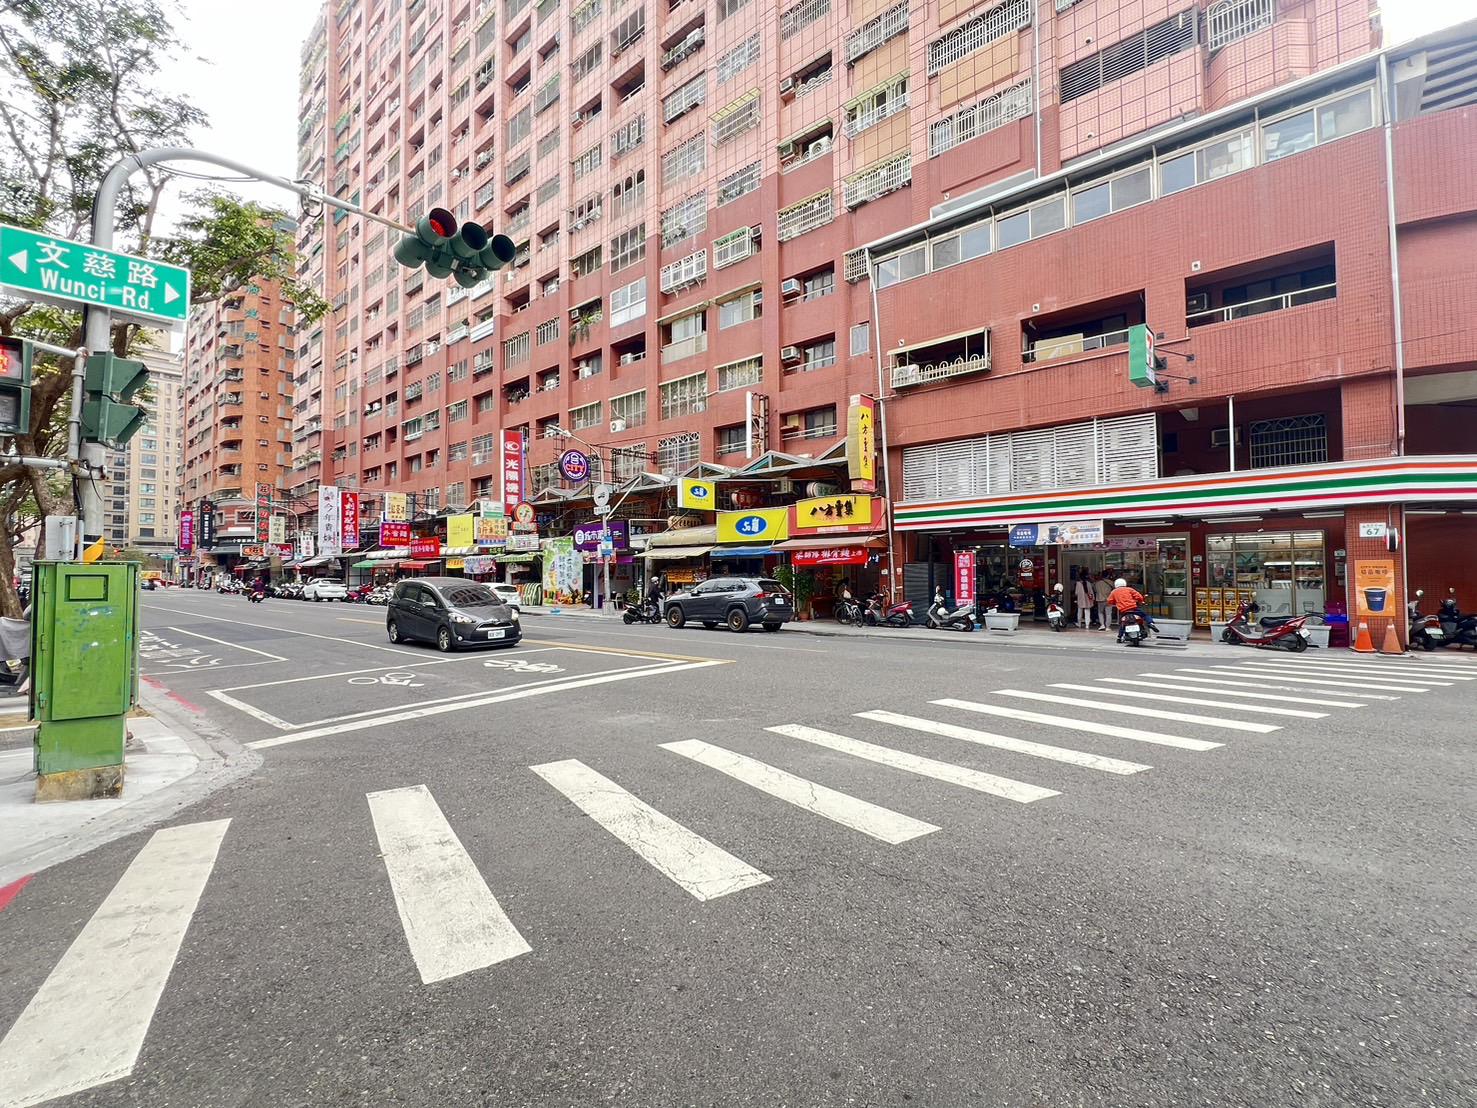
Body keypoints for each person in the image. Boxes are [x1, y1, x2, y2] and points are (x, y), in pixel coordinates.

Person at [1107, 577, 1159, 641]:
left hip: (1123, 611)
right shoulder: (1129, 589)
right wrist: (1140, 601)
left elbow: (1109, 601)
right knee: (1145, 615)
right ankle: (1150, 623)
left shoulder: (1114, 592)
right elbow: (1139, 596)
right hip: (1133, 608)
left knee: (1122, 623)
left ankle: (1119, 637)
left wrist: (1116, 603)